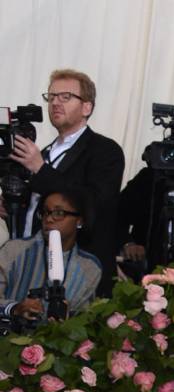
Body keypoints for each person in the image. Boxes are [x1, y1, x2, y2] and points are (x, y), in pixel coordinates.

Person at [8, 68, 124, 297]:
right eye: (51, 97)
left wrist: (40, 170)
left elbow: (93, 202)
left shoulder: (105, 151)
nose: (55, 103)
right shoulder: (44, 152)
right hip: (32, 265)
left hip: (78, 272)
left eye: (65, 97)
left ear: (87, 107)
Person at [0, 187, 101, 327]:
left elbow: (86, 319)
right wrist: (15, 308)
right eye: (45, 212)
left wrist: (68, 319)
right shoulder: (15, 250)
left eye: (58, 213)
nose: (49, 219)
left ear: (79, 221)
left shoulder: (90, 267)